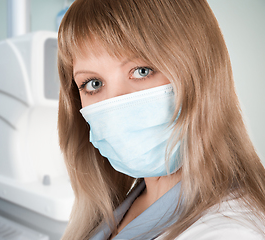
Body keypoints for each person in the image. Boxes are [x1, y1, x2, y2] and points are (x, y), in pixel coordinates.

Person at [56, 0, 265, 239]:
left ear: (199, 70)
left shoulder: (231, 231)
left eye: (142, 71)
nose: (115, 103)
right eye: (93, 84)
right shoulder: (118, 208)